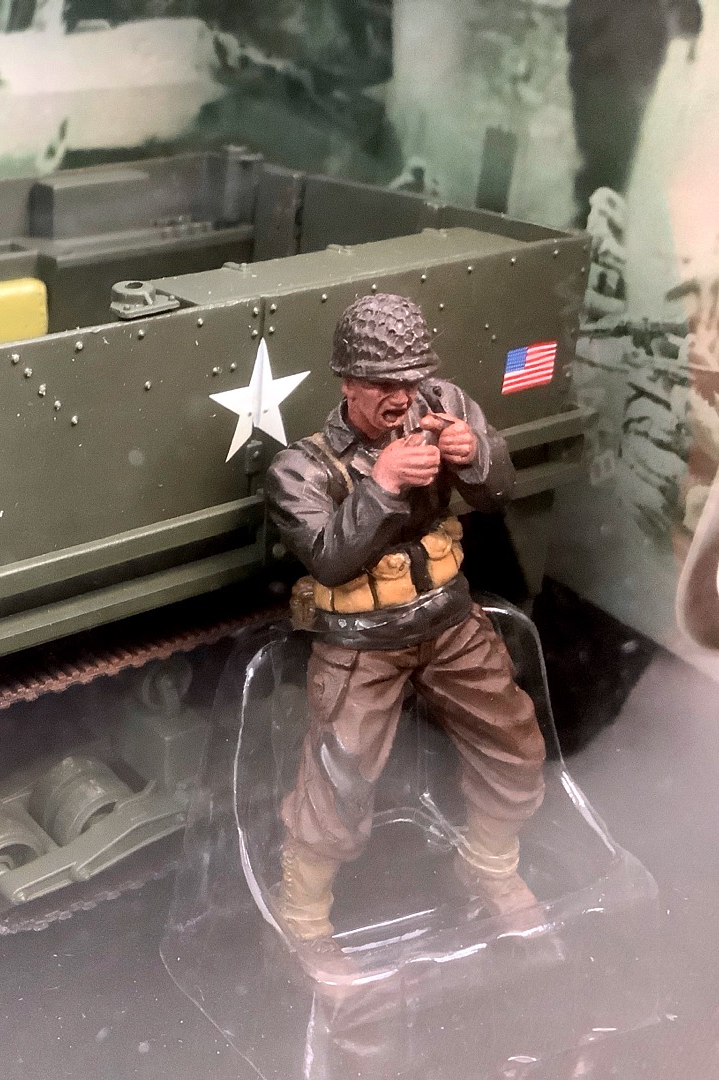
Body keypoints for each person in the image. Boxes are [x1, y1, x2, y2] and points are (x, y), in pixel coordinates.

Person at [263, 293, 547, 974]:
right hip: (361, 643)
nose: (402, 397)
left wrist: (474, 455)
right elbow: (329, 558)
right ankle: (301, 922)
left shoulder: (442, 402)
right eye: (384, 384)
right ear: (347, 383)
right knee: (337, 784)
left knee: (515, 748)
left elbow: (499, 492)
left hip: (449, 622)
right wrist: (383, 486)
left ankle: (488, 867)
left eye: (411, 378)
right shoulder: (301, 468)